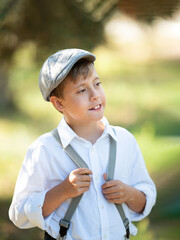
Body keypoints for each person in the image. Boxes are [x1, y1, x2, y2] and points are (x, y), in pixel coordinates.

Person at [9, 48, 156, 240]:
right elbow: (19, 214)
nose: (94, 95)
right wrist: (62, 191)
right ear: (59, 104)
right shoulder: (44, 150)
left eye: (97, 83)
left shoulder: (124, 141)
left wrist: (129, 194)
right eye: (81, 90)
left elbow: (146, 199)